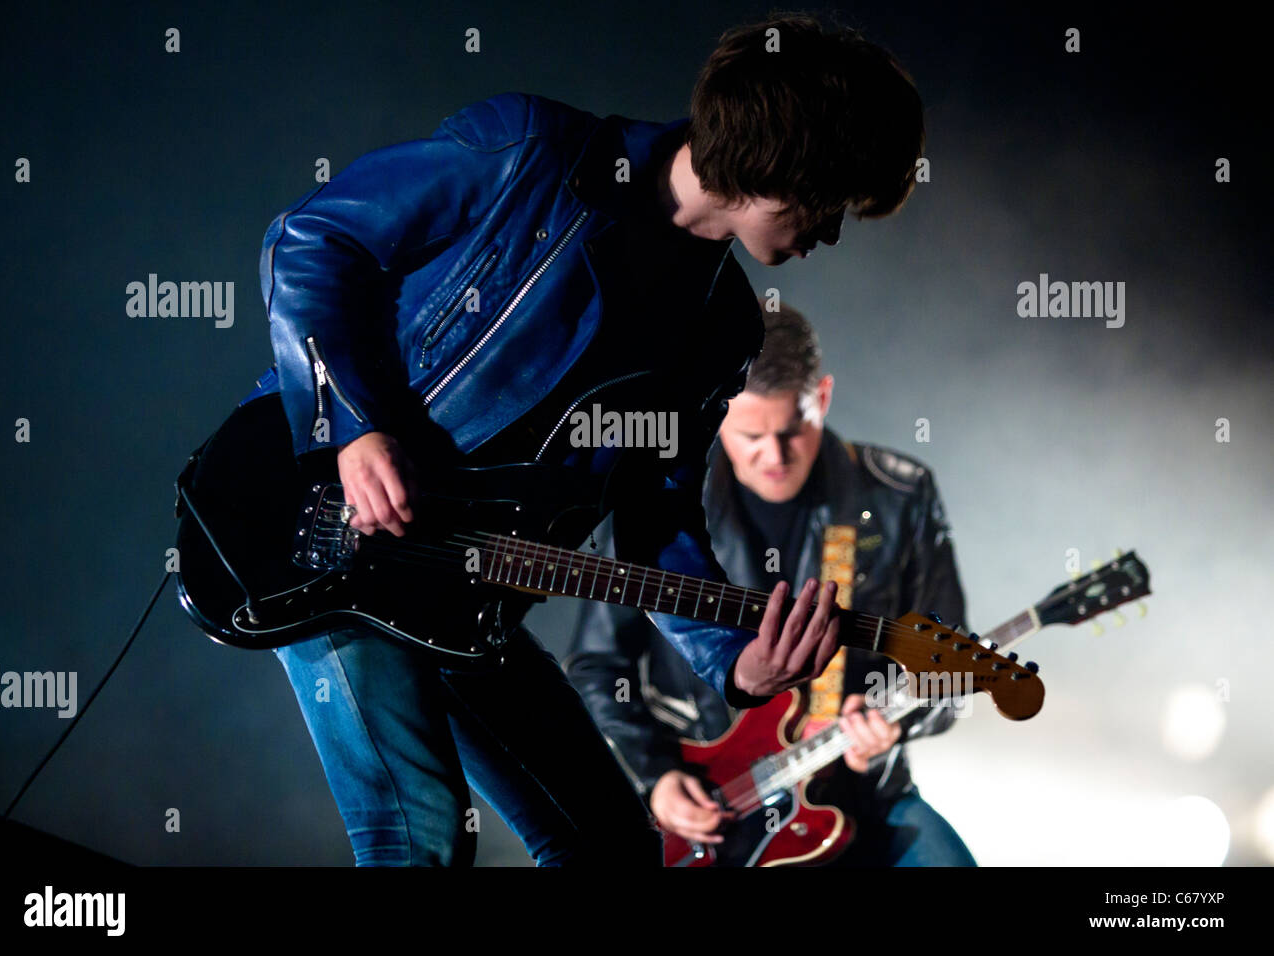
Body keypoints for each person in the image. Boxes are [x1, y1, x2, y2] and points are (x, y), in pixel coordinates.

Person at [242, 14, 926, 865]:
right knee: (417, 833)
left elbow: (656, 517)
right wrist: (353, 426)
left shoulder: (723, 330)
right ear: (779, 163)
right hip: (334, 535)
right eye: (834, 199)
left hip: (468, 591)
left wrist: (737, 660)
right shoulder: (531, 150)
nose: (833, 230)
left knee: (613, 851)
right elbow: (312, 239)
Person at [566, 302, 977, 866]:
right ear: (717, 414)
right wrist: (657, 776)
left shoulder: (899, 498)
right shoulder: (657, 503)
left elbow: (950, 672)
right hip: (714, 798)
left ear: (823, 397)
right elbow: (595, 664)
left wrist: (893, 725)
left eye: (793, 430)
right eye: (750, 434)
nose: (773, 456)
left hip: (862, 792)